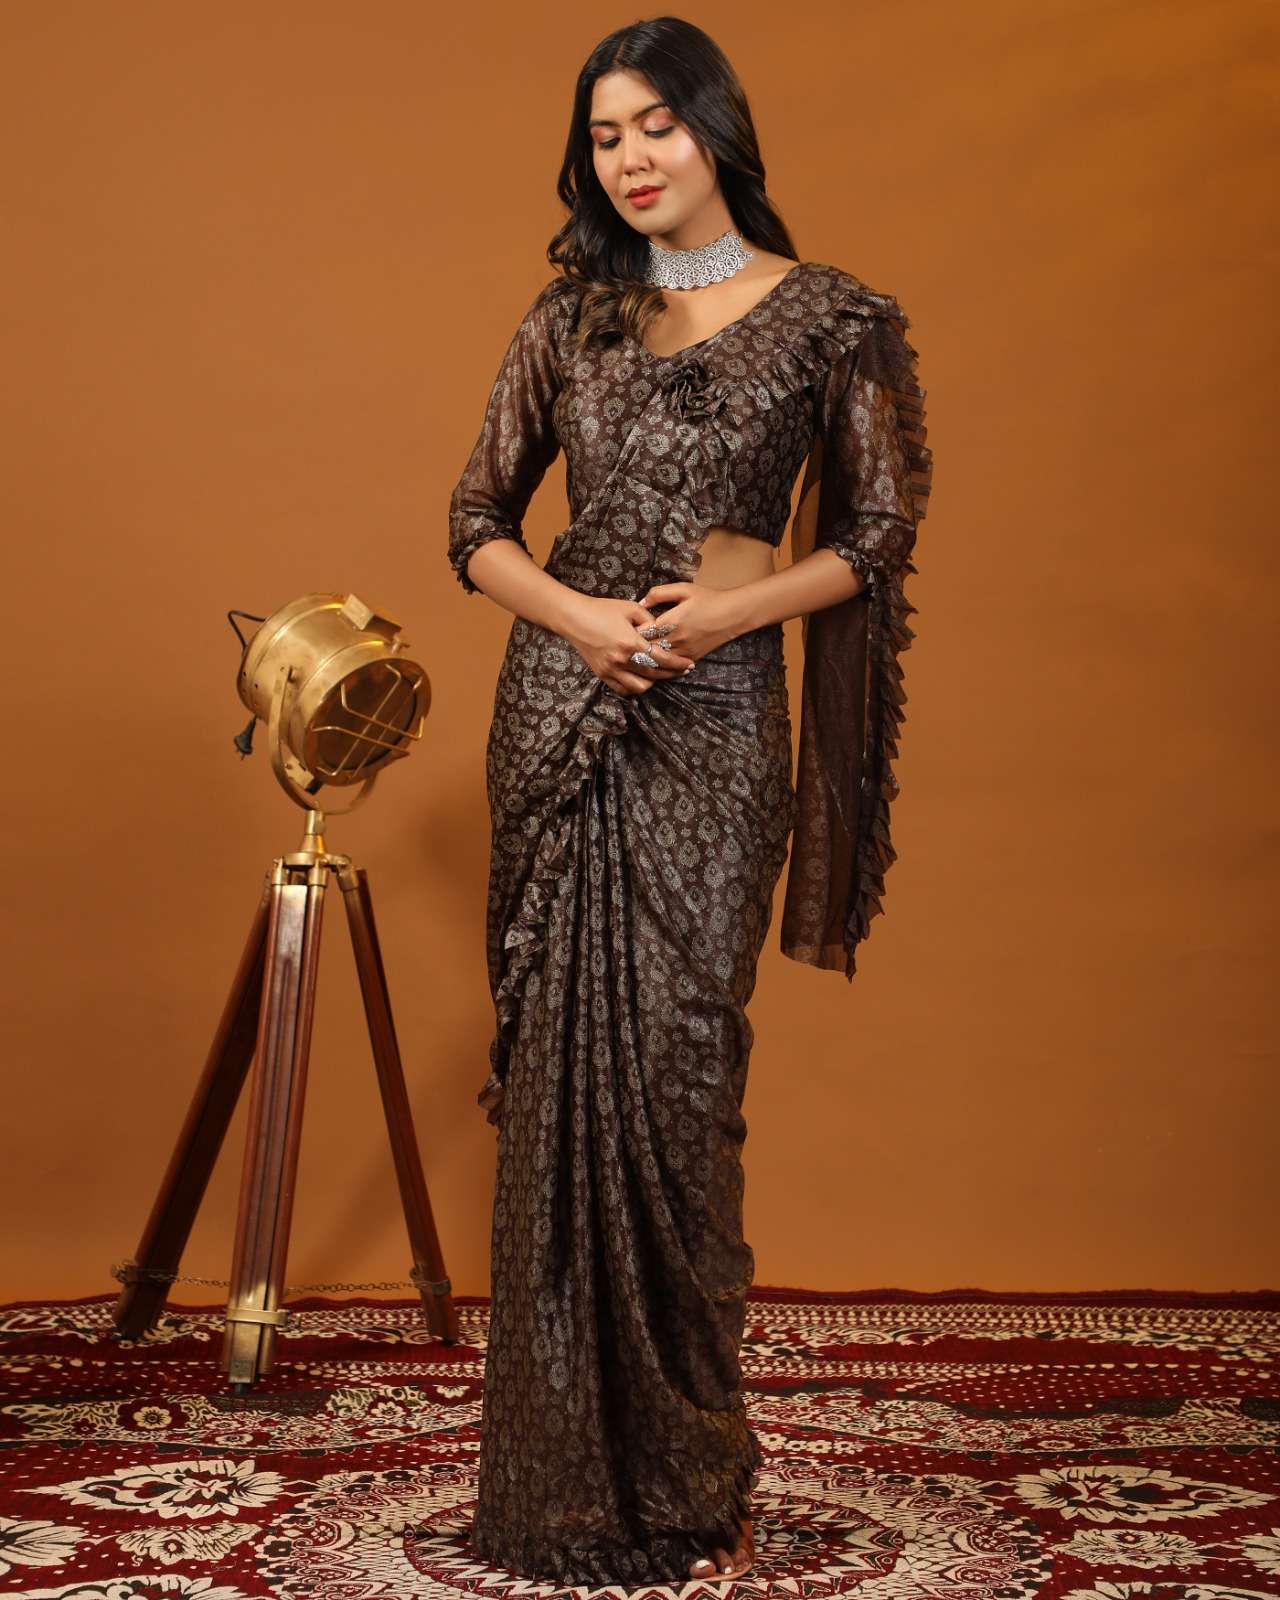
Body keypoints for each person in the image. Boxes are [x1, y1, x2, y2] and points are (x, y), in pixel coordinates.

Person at [446, 16, 933, 1588]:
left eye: (656, 123)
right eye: (605, 136)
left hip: (717, 728)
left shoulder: (830, 320)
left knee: (677, 1086)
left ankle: (686, 1477)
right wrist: (582, 623)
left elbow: (874, 533)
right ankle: (558, 1492)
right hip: (562, 719)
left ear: (717, 127)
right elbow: (476, 519)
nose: (632, 158)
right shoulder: (571, 319)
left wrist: (728, 617)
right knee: (557, 1102)